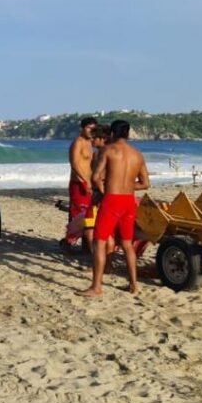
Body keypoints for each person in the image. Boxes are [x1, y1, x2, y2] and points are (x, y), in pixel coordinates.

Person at [78, 120, 150, 298]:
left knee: (99, 242)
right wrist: (127, 186)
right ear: (127, 133)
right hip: (129, 201)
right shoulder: (138, 155)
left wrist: (105, 189)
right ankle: (133, 285)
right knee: (127, 244)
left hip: (112, 200)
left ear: (112, 133)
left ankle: (96, 287)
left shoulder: (108, 150)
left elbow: (95, 177)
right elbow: (145, 183)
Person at [65, 117, 98, 247]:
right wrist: (85, 181)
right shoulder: (78, 142)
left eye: (93, 128)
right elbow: (74, 163)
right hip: (78, 183)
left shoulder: (90, 143)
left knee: (88, 215)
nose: (91, 131)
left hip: (89, 183)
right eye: (89, 128)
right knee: (76, 214)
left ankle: (85, 245)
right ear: (82, 128)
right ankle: (68, 243)